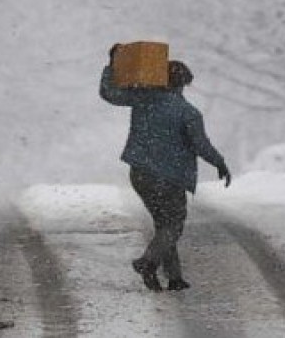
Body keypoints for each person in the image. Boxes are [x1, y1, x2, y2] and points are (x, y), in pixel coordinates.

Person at [99, 47, 231, 292]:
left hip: (140, 174)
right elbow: (201, 145)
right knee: (174, 224)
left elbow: (109, 93)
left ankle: (174, 278)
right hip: (170, 178)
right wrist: (220, 163)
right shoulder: (188, 112)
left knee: (164, 225)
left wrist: (112, 64)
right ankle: (148, 262)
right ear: (184, 84)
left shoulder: (143, 99)